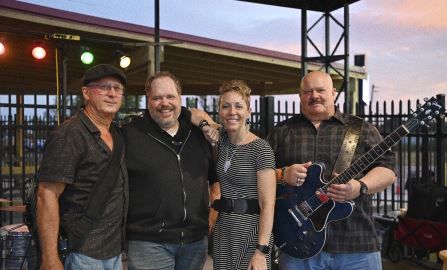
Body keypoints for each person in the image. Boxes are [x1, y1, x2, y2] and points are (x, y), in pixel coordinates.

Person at [266, 70, 396, 270]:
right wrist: (283, 174)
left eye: (320, 90)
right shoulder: (282, 132)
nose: (314, 95)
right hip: (298, 242)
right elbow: (258, 173)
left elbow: (388, 170)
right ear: (300, 96)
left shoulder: (360, 129)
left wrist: (360, 186)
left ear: (333, 93)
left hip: (356, 244)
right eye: (308, 91)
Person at [122, 71, 218, 270]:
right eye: (157, 98)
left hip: (194, 241)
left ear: (179, 98)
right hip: (148, 242)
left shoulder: (199, 134)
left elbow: (215, 180)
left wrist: (212, 214)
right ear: (148, 99)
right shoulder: (130, 135)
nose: (164, 103)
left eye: (170, 96)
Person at [36, 64, 128, 270]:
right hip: (82, 253)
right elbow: (46, 195)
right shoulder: (70, 134)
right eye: (104, 87)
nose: (112, 94)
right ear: (86, 93)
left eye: (117, 88)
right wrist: (50, 258)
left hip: (113, 252)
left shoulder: (117, 133)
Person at [192, 80, 276, 270]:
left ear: (248, 111)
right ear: (220, 111)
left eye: (239, 106)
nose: (232, 112)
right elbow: (191, 113)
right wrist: (206, 125)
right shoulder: (221, 138)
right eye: (226, 106)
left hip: (251, 231)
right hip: (225, 229)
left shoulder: (261, 149)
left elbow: (268, 204)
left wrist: (261, 251)